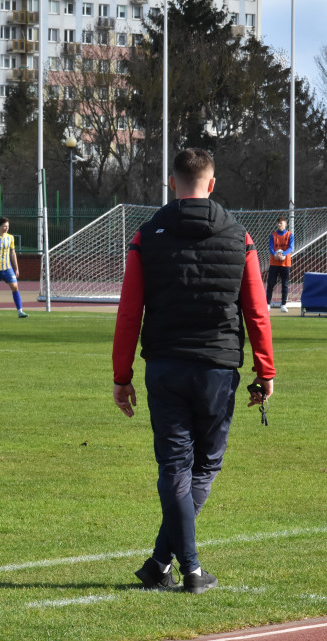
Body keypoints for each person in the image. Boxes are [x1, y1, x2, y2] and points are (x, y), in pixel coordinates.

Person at [111, 148, 275, 594]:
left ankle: (162, 564)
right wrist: (266, 371)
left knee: (175, 467)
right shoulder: (239, 236)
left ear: (172, 183)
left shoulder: (147, 235)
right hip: (217, 369)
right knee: (203, 467)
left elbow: (129, 312)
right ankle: (193, 570)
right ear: (213, 183)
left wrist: (121, 376)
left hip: (165, 365)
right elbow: (256, 311)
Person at [266, 216, 294, 313]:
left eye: (281, 223)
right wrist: (275, 254)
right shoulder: (273, 235)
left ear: (285, 224)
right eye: (278, 223)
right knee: (270, 284)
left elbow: (291, 248)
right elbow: (270, 247)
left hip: (285, 264)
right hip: (274, 263)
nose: (279, 224)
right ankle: (267, 304)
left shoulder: (290, 235)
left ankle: (283, 305)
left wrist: (283, 254)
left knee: (285, 284)